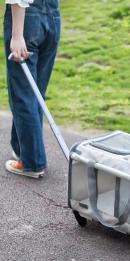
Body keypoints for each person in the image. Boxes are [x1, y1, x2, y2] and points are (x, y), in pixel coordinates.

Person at [4, 0, 61, 178]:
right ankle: (22, 148)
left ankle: (31, 162)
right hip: (52, 16)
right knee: (35, 93)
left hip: (27, 19)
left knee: (23, 95)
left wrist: (17, 34)